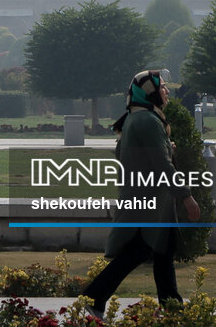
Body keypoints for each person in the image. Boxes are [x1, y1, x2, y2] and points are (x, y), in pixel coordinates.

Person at [81, 69, 201, 317]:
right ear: (150, 92)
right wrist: (186, 196)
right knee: (139, 250)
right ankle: (94, 297)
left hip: (151, 200)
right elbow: (162, 165)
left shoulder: (137, 118)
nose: (166, 91)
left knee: (162, 252)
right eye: (163, 87)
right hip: (149, 202)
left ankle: (172, 309)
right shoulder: (147, 121)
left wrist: (165, 146)